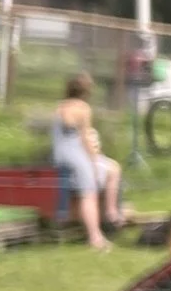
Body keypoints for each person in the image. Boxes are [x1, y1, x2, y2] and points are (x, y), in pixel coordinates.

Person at [52, 73, 125, 251]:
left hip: (61, 155)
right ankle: (96, 236)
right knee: (89, 193)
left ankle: (110, 212)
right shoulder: (83, 108)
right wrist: (92, 163)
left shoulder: (60, 107)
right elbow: (85, 139)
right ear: (86, 91)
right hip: (77, 155)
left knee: (112, 169)